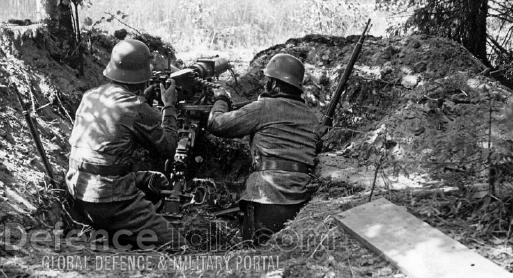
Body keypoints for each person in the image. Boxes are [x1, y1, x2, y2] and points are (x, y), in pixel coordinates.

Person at [66, 39, 186, 250]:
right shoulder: (135, 106)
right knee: (178, 246)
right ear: (143, 76)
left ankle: (119, 231)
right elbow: (168, 146)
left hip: (77, 187)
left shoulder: (90, 96)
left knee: (154, 180)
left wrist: (143, 101)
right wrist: (169, 106)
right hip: (107, 198)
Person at [207, 53, 321, 245]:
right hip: (301, 199)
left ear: (274, 85)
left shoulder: (263, 107)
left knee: (255, 255)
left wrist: (221, 100)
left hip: (266, 196)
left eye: (268, 80)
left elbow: (217, 124)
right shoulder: (312, 118)